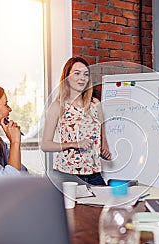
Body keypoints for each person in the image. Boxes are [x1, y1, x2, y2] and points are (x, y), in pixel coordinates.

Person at [41, 56, 111, 185]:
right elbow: (45, 145)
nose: (82, 78)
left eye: (85, 74)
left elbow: (100, 130)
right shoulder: (58, 106)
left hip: (93, 174)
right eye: (76, 73)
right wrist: (74, 144)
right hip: (66, 175)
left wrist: (104, 146)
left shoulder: (96, 104)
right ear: (66, 77)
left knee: (103, 204)